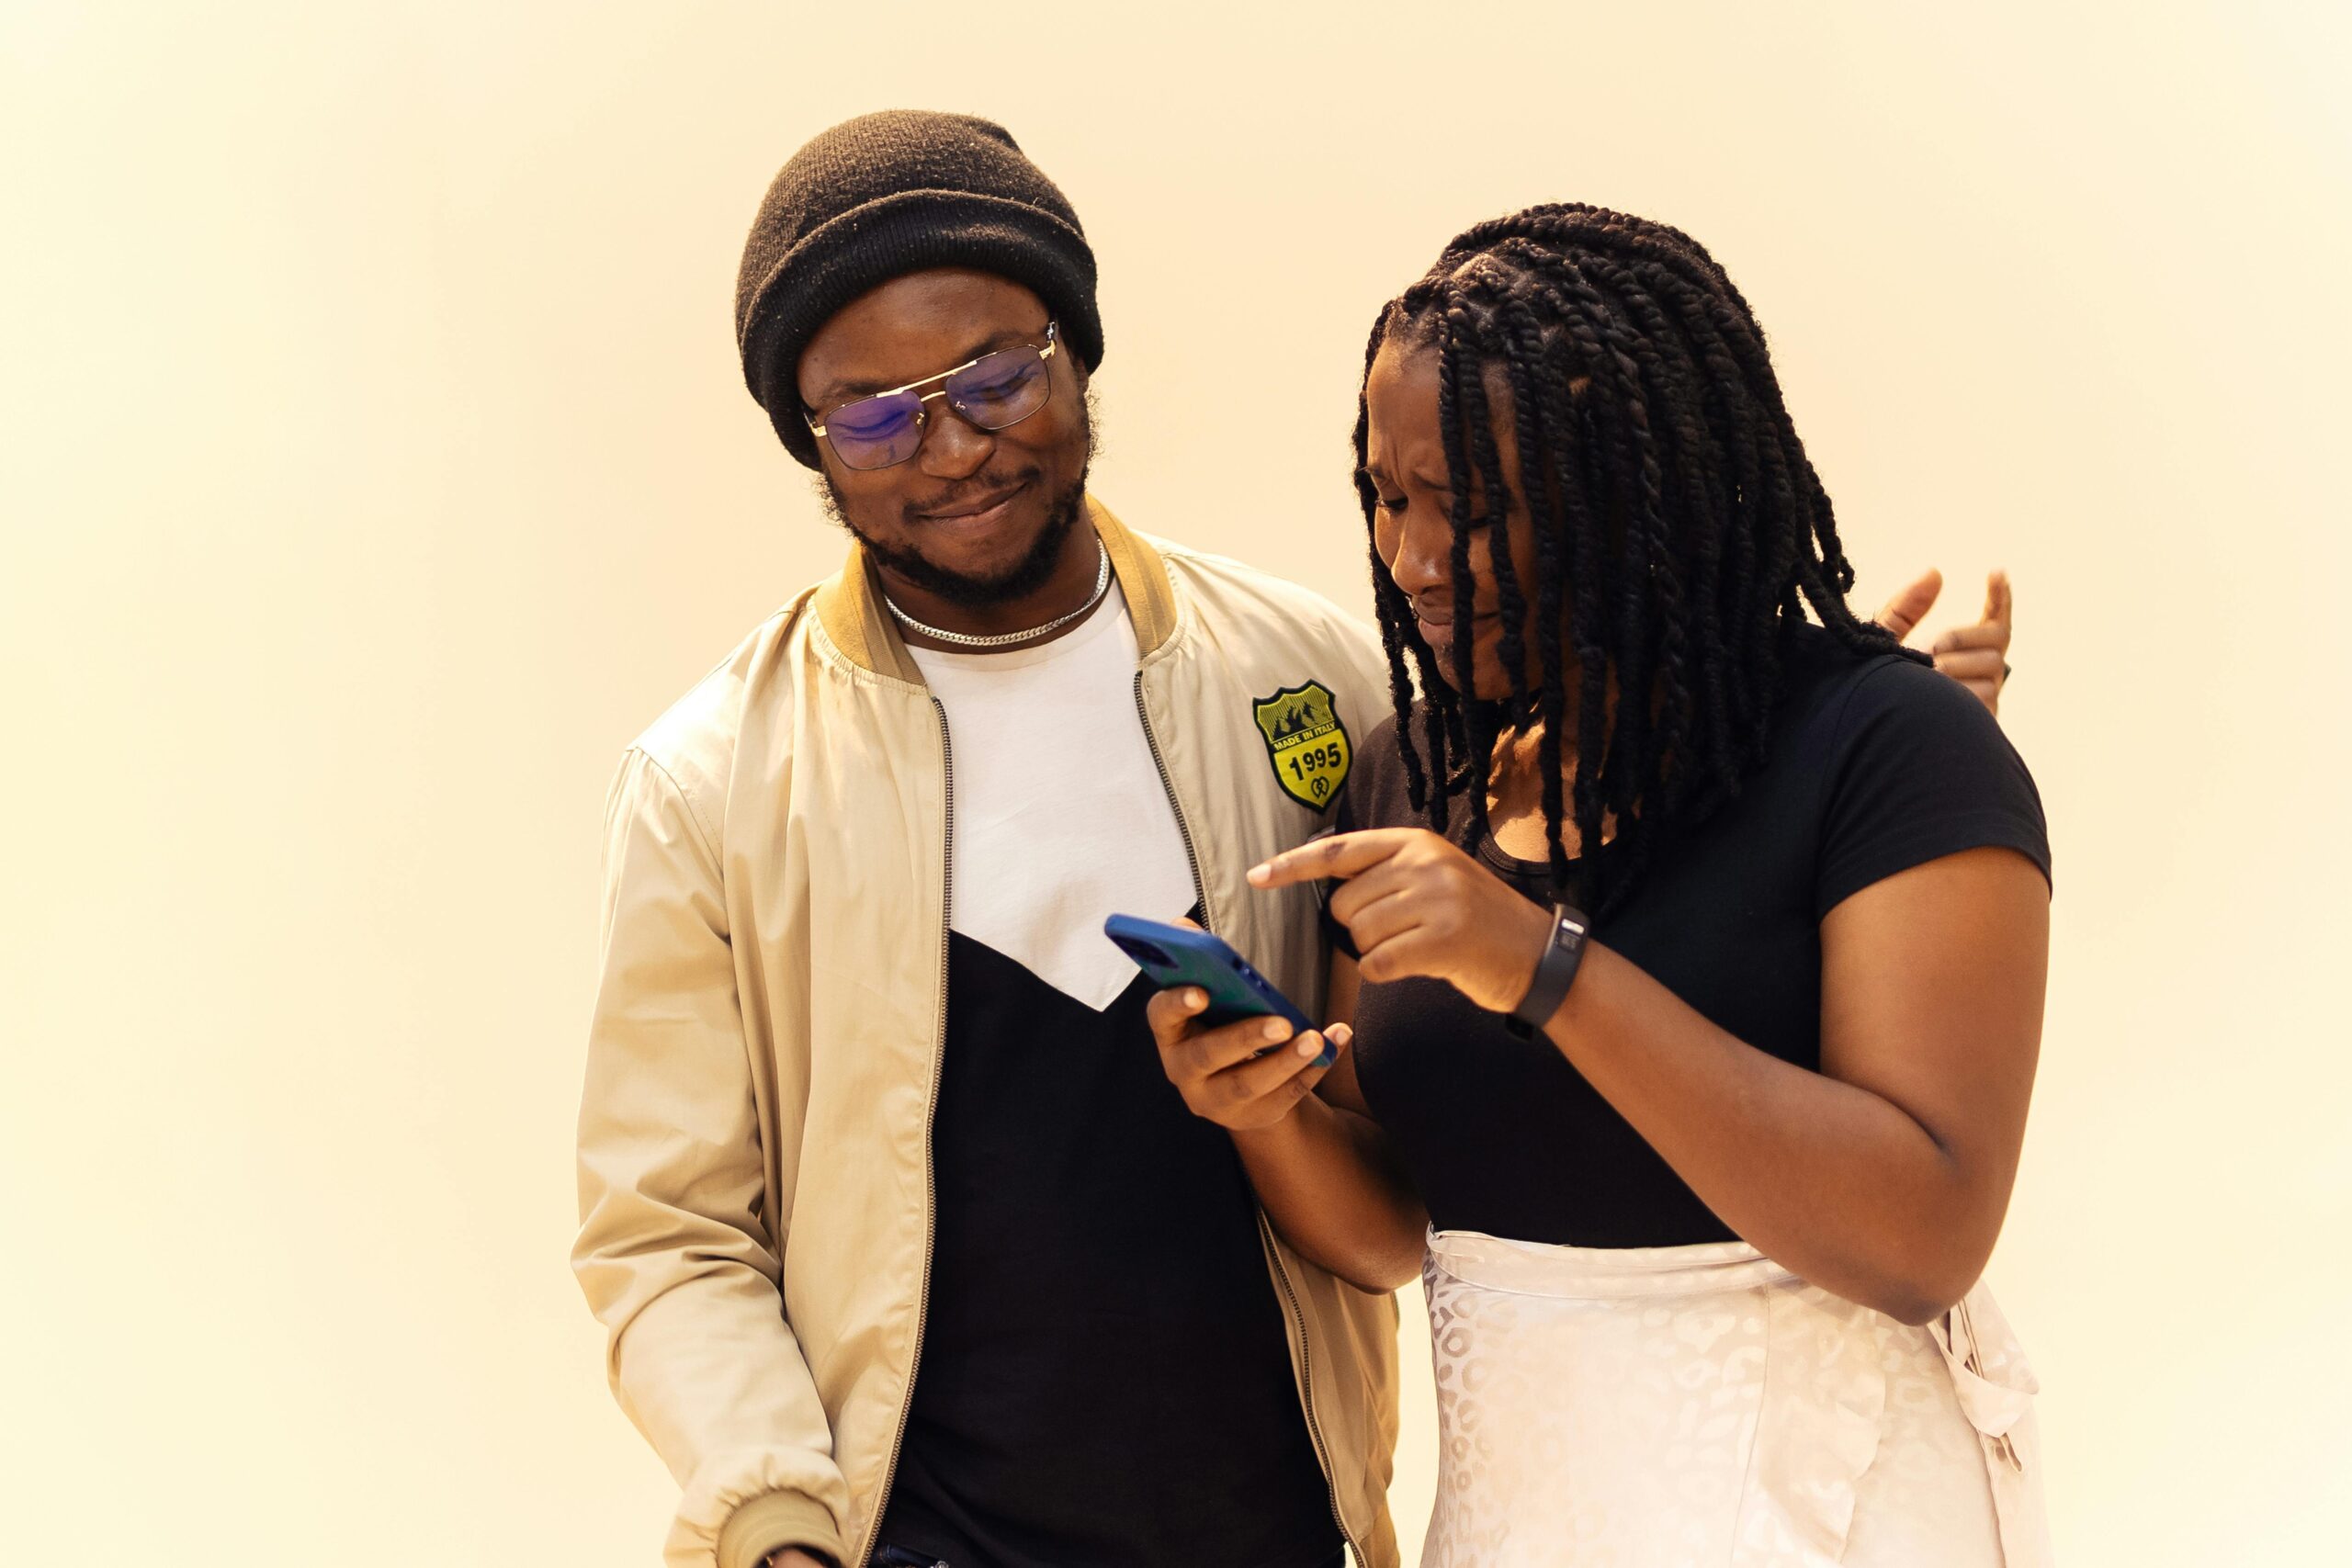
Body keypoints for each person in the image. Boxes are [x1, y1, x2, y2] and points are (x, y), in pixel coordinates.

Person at [1149, 206, 2054, 1566]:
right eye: (1393, 500)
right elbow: (1398, 1228)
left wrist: (1544, 966)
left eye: (1481, 508)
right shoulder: (1417, 775)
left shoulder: (1888, 752)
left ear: (1650, 488)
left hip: (1832, 1519)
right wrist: (1260, 1113)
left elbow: (1926, 1234)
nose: (1417, 561)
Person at [571, 110, 1403, 1568]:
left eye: (996, 376)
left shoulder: (1310, 677)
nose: (951, 447)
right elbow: (669, 1233)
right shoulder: (713, 781)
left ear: (1074, 350)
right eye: (874, 414)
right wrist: (774, 1521)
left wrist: (1858, 726)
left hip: (1280, 1527)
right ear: (811, 441)